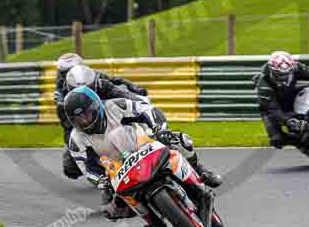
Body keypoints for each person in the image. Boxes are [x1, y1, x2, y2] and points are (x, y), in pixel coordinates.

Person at [64, 87, 222, 218]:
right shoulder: (76, 139)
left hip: (143, 144)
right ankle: (152, 217)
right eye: (78, 119)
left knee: (180, 140)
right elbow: (86, 168)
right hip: (117, 169)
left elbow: (147, 110)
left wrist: (158, 129)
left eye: (87, 115)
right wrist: (101, 180)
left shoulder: (115, 106)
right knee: (110, 211)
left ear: (96, 107)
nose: (84, 121)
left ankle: (200, 170)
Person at [53, 54, 148, 178]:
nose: (67, 74)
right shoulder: (62, 98)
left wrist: (135, 94)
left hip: (109, 116)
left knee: (139, 118)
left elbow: (116, 84)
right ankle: (105, 171)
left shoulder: (94, 78)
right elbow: (68, 130)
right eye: (64, 72)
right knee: (70, 168)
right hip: (88, 128)